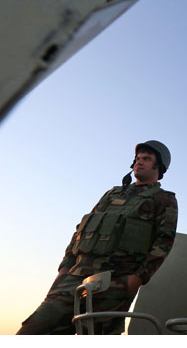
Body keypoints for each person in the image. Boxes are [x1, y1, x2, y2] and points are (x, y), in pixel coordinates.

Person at [17, 140, 178, 334]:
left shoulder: (163, 199)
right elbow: (81, 230)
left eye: (146, 158)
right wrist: (65, 267)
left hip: (114, 282)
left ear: (158, 167)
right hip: (73, 277)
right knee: (33, 331)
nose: (139, 162)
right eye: (137, 158)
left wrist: (136, 279)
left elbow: (164, 242)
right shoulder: (112, 194)